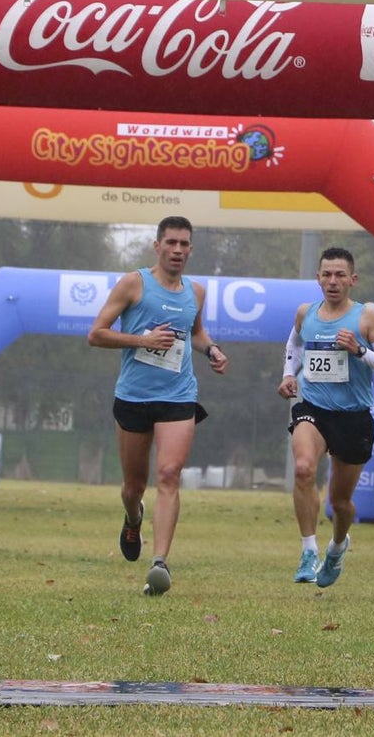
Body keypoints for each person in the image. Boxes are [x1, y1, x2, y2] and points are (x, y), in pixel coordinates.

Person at [87, 216, 228, 596]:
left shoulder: (196, 292)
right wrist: (141, 340)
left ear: (191, 249)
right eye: (171, 243)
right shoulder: (135, 283)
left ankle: (160, 562)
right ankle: (133, 518)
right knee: (134, 486)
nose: (178, 250)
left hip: (179, 396)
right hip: (134, 396)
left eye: (184, 244)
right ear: (157, 246)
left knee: (168, 473)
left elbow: (195, 332)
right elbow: (96, 334)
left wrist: (211, 348)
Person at [277, 247, 374, 587]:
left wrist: (361, 351)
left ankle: (337, 546)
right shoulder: (306, 313)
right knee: (303, 469)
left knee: (340, 502)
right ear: (318, 278)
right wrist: (290, 374)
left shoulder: (366, 318)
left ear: (352, 280)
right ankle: (307, 551)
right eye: (326, 275)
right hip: (313, 408)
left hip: (352, 416)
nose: (333, 281)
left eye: (340, 275)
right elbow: (295, 344)